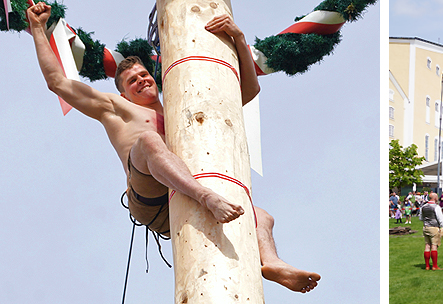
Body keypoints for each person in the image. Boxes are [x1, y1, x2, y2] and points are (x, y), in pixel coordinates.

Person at [25, 3, 320, 293]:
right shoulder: (115, 107)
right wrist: (38, 27)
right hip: (150, 195)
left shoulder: (182, 108)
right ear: (122, 92)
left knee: (263, 216)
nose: (141, 80)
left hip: (180, 192)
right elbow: (57, 82)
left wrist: (239, 40)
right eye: (132, 81)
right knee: (149, 140)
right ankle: (207, 196)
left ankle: (272, 263)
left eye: (144, 75)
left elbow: (248, 91)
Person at [421, 193, 443, 270]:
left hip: (425, 227)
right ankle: (435, 266)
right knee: (434, 246)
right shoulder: (436, 207)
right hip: (434, 228)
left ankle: (427, 266)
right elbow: (440, 219)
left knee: (427, 246)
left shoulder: (423, 206)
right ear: (435, 198)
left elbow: (421, 218)